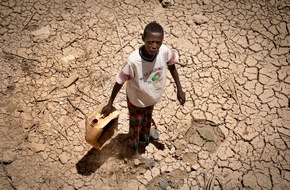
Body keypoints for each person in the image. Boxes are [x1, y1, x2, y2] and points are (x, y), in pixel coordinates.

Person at [101, 21, 185, 158]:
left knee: (147, 119)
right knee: (135, 126)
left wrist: (179, 89)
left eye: (158, 42)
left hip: (151, 98)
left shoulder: (164, 52)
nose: (154, 46)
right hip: (137, 100)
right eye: (150, 42)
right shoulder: (133, 61)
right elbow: (120, 81)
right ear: (143, 39)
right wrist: (110, 102)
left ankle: (145, 138)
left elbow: (172, 66)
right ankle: (134, 153)